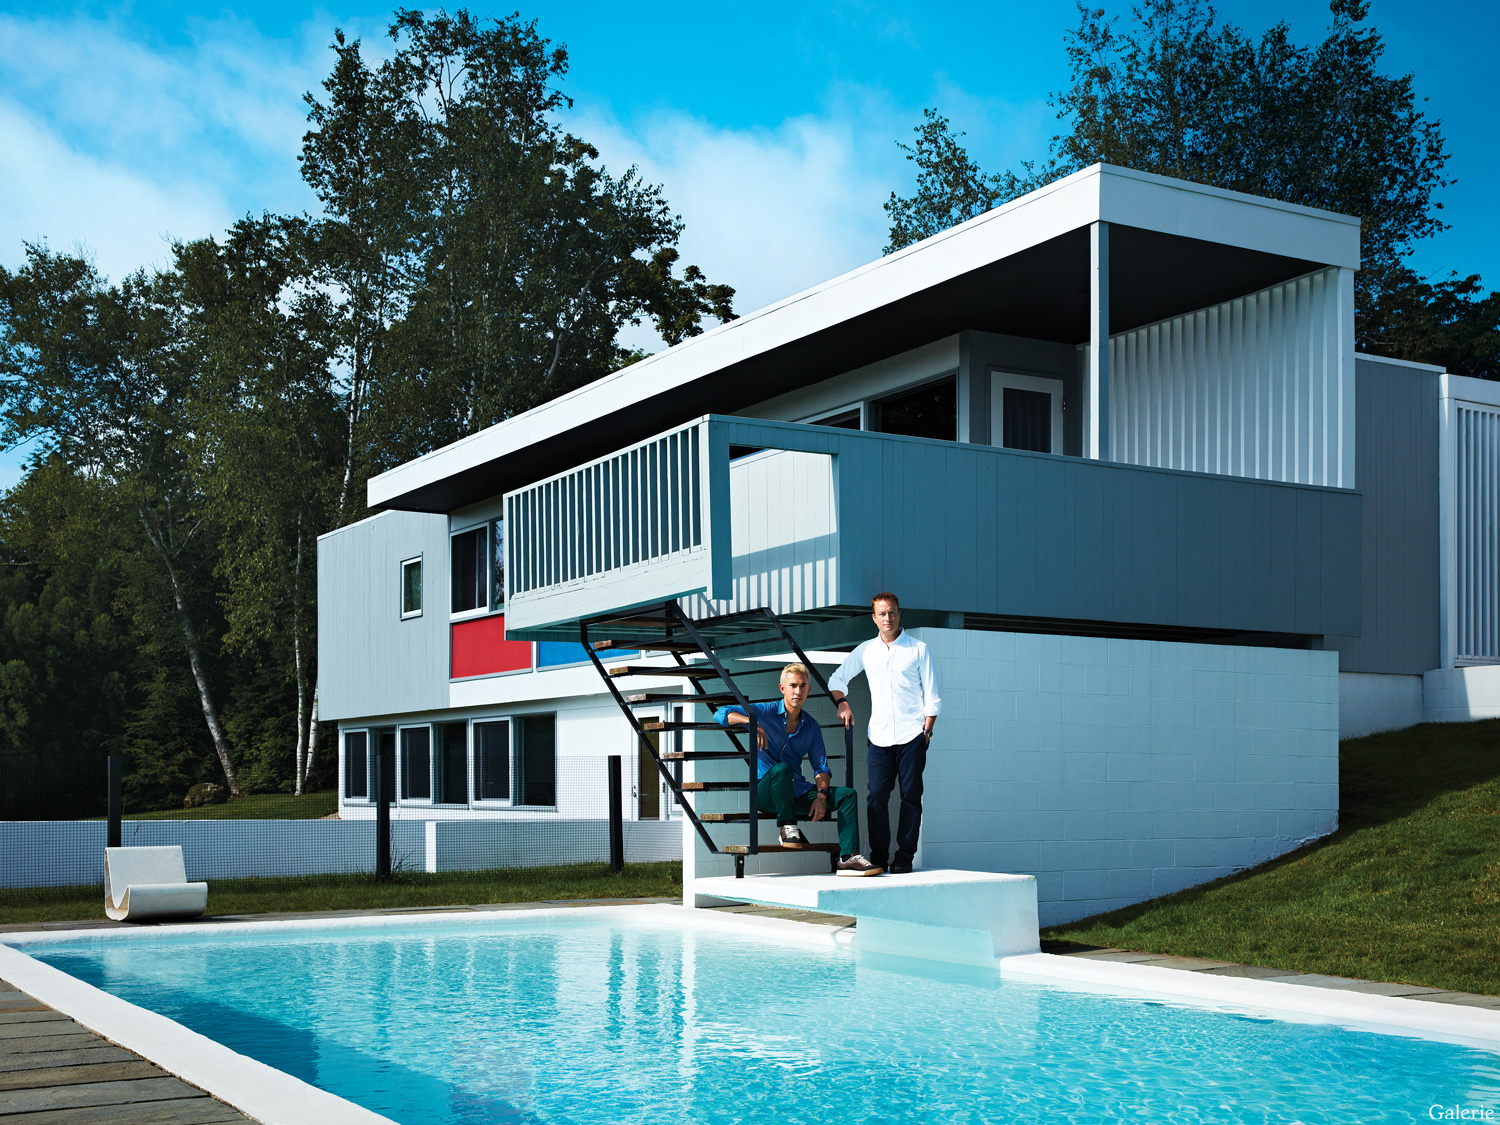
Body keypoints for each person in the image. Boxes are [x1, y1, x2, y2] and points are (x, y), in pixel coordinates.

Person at [713, 663, 883, 876]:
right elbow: (720, 713)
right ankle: (786, 826)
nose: (798, 691)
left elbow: (821, 767)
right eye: (793, 685)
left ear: (809, 690)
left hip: (795, 792)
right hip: (764, 793)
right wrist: (751, 722)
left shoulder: (811, 726)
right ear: (782, 688)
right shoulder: (765, 711)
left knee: (847, 795)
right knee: (782, 769)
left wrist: (821, 796)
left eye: (803, 686)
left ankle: (847, 858)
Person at [828, 592, 941, 875]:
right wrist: (842, 703)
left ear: (899, 614)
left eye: (891, 612)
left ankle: (904, 857)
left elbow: (932, 695)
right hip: (878, 737)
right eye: (882, 614)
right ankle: (878, 856)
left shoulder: (918, 649)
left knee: (911, 797)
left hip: (912, 735)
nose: (887, 618)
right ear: (874, 618)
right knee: (876, 796)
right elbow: (837, 679)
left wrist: (926, 732)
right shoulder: (865, 650)